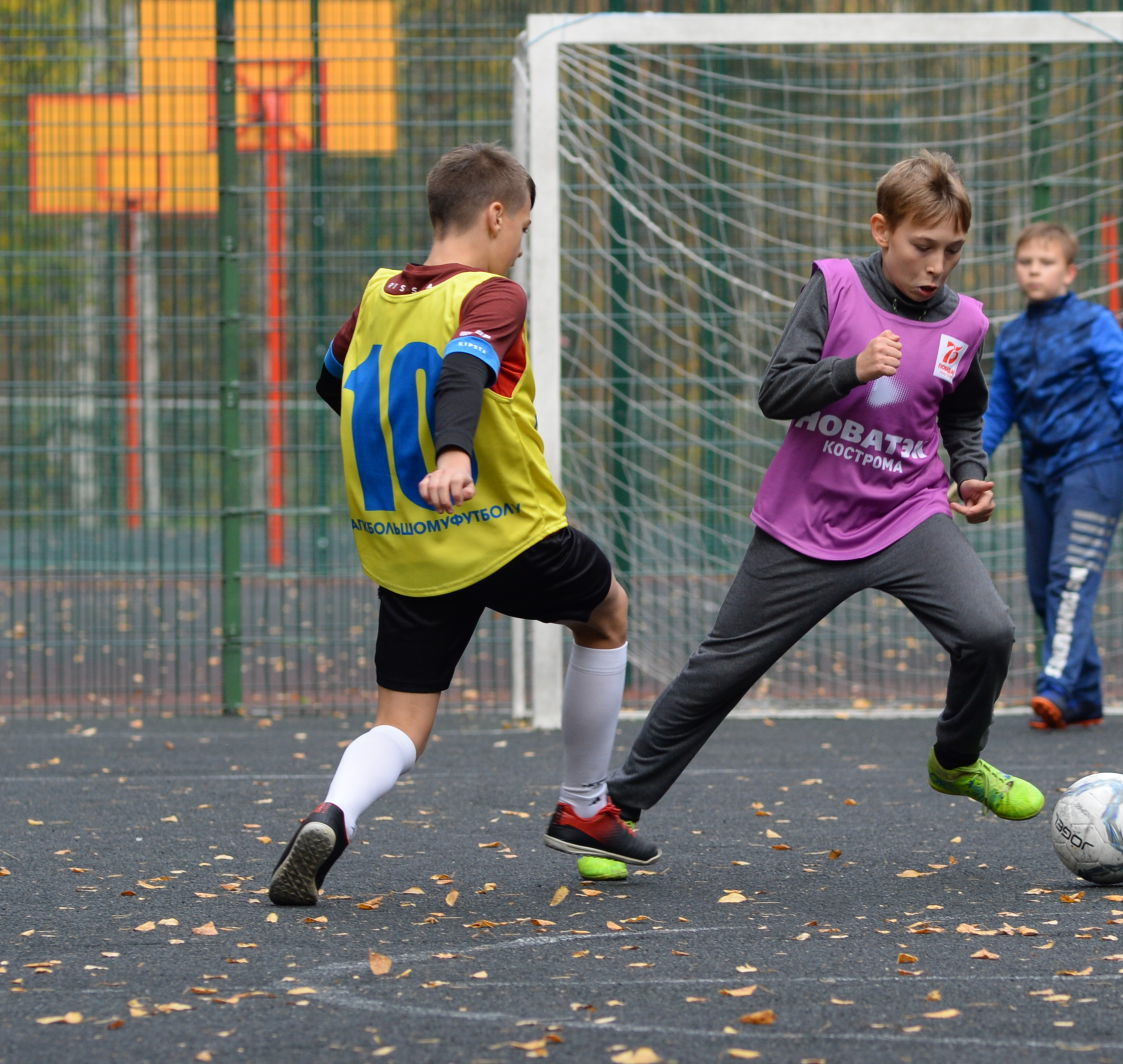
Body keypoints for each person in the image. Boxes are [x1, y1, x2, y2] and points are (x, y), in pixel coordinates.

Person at [605, 150, 1044, 838]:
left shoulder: (967, 324)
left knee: (988, 632)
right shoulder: (835, 289)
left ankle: (957, 761)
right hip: (805, 521)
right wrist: (853, 368)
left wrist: (968, 471)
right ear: (881, 230)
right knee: (720, 670)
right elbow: (775, 392)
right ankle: (613, 809)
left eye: (952, 250)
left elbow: (961, 410)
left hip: (908, 513)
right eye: (922, 247)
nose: (937, 265)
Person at [268, 143, 658, 905]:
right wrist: (451, 452)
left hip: (407, 546)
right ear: (494, 214)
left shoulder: (379, 294)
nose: (521, 244)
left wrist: (408, 451)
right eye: (523, 226)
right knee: (607, 612)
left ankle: (333, 814)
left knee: (402, 725)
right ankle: (584, 807)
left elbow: (330, 380)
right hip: (504, 529)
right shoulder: (493, 294)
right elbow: (461, 372)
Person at [982, 222, 1123, 731]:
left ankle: (1056, 684)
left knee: (1071, 579)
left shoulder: (1096, 324)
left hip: (1095, 468)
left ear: (1069, 272)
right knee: (1043, 589)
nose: (1033, 270)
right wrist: (971, 464)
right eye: (1026, 262)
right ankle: (1084, 695)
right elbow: (999, 409)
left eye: (1045, 263)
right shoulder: (1014, 336)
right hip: (1039, 475)